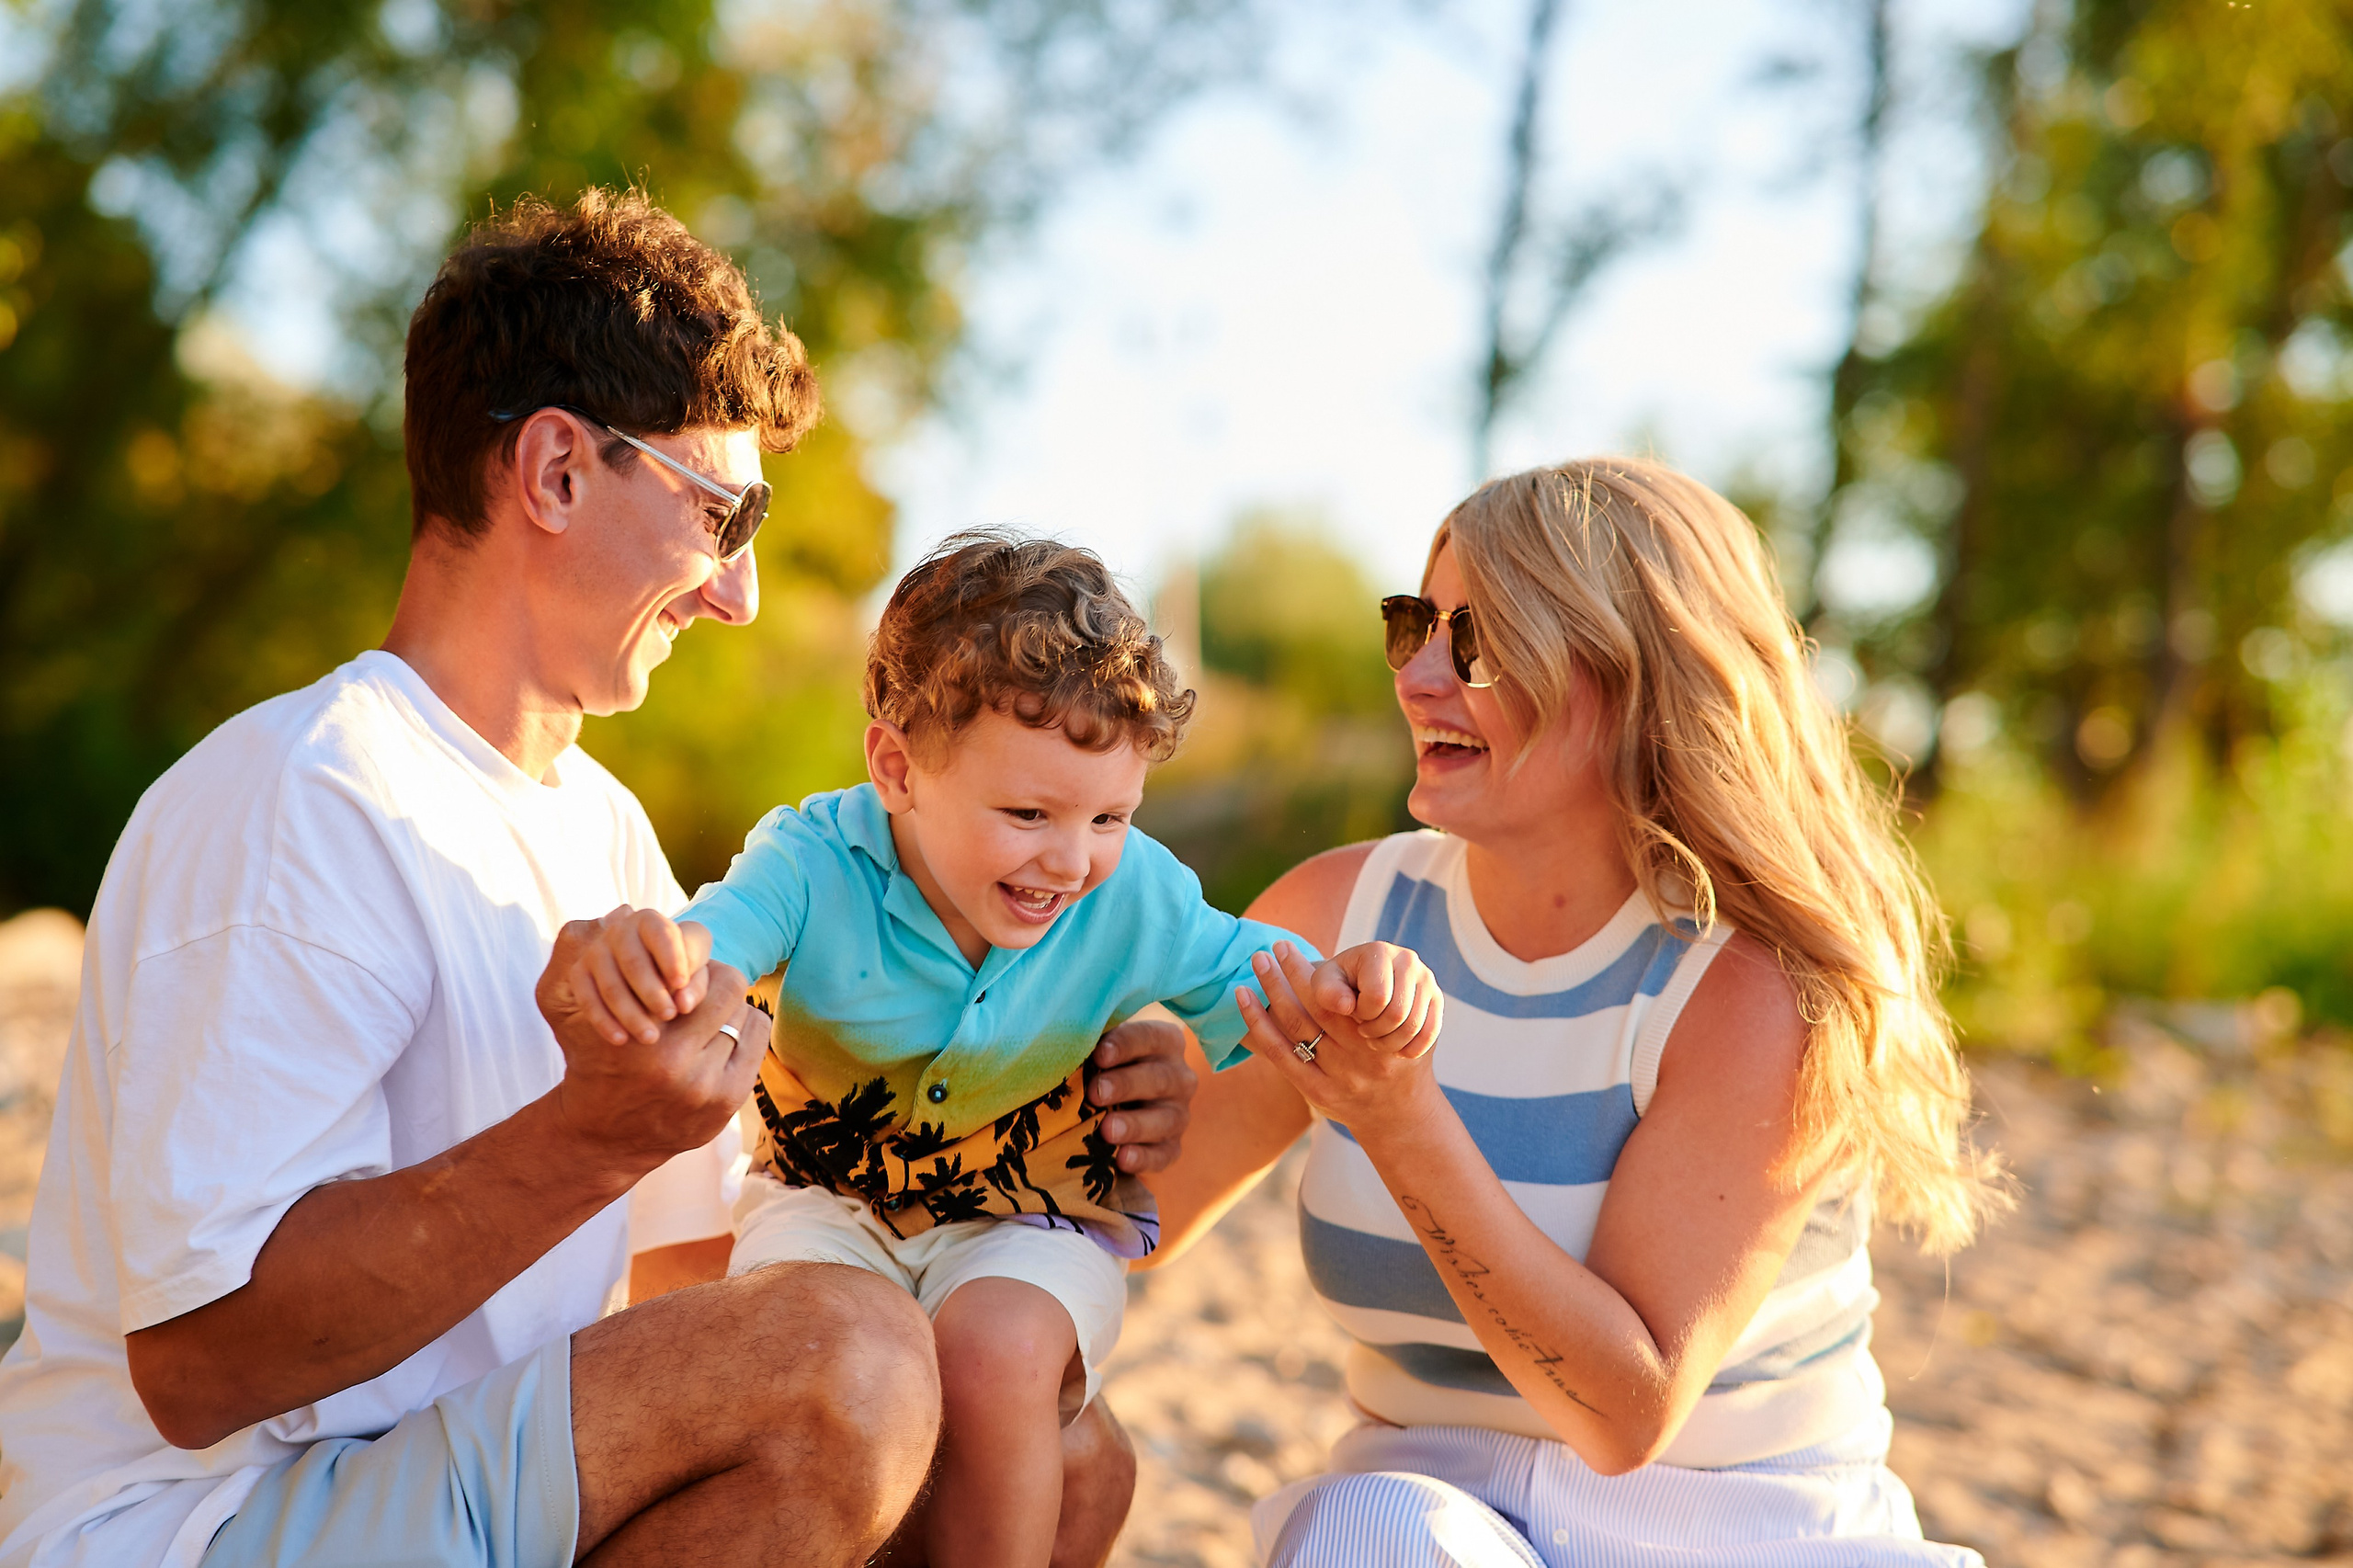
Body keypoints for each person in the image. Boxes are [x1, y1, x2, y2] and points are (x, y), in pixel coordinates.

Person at [0, 189, 1200, 1568]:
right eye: (723, 513)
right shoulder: (301, 795)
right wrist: (594, 1133)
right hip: (209, 1518)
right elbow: (201, 1363)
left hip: (459, 1481)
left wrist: (1055, 1081)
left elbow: (690, 1277)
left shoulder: (602, 824)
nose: (738, 592)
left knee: (1067, 1456)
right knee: (850, 1358)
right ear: (559, 470)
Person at [1140, 459, 2006, 1566]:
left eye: (1481, 640)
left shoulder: (1753, 987)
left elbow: (1623, 1412)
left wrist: (1398, 1118)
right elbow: (1128, 1207)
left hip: (1745, 1533)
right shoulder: (1336, 910)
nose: (1419, 676)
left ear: (1634, 675)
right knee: (1366, 1528)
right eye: (1414, 625)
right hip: (1430, 1518)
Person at [562, 533, 1445, 1568]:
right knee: (822, 1354)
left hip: (1030, 1213)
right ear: (897, 768)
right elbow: (719, 939)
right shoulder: (811, 860)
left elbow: (1268, 978)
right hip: (825, 1201)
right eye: (1028, 813)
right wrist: (661, 961)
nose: (1070, 860)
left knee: (998, 1350)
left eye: (1109, 815)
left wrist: (1360, 983)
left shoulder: (1133, 890)